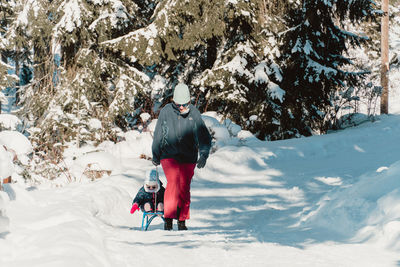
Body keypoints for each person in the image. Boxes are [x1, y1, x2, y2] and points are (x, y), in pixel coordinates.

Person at [152, 83, 212, 231]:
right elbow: (158, 133)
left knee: (184, 187)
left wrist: (204, 154)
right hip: (169, 154)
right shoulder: (166, 111)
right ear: (173, 101)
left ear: (189, 102)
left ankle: (182, 219)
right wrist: (156, 154)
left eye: (184, 104)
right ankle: (168, 219)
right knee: (173, 183)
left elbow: (204, 136)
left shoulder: (195, 114)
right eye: (178, 104)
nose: (181, 107)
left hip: (188, 156)